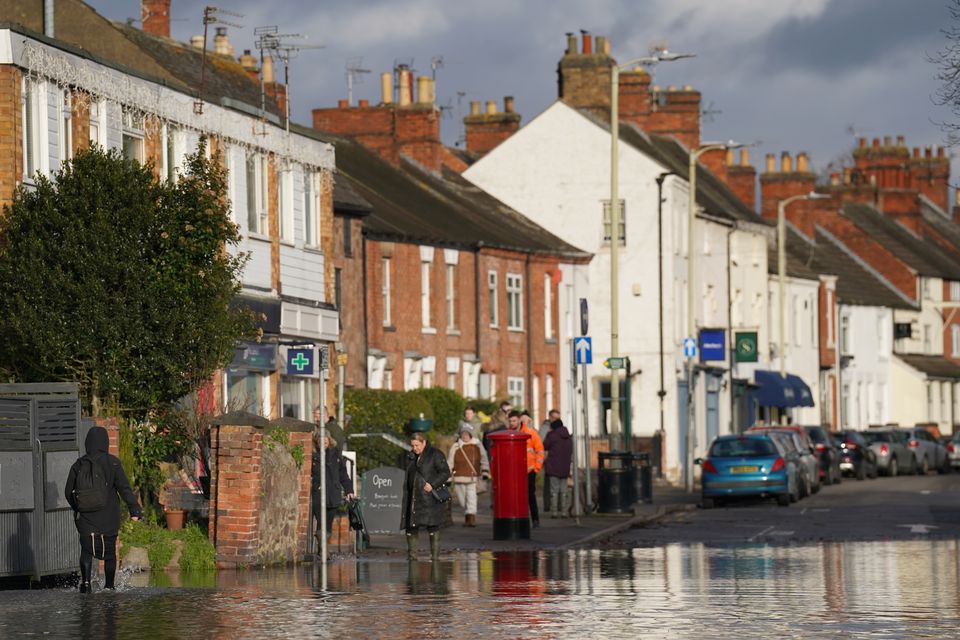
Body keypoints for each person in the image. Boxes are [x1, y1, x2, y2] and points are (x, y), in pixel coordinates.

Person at [64, 426, 143, 593]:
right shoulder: (113, 463)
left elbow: (67, 491)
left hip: (85, 518)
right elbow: (124, 489)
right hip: (108, 516)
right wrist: (134, 510)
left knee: (86, 550)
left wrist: (78, 507)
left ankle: (85, 584)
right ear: (105, 442)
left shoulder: (78, 464)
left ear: (87, 443)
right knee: (109, 553)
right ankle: (109, 586)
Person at [401, 432, 451, 561]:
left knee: (433, 526)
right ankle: (412, 557)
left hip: (429, 497)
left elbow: (445, 472)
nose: (414, 448)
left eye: (417, 445)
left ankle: (435, 557)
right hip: (413, 497)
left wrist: (432, 484)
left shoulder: (435, 454)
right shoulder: (410, 456)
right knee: (411, 526)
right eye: (412, 445)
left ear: (424, 442)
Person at [311, 430, 354, 547]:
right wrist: (315, 485)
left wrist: (349, 490)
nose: (323, 440)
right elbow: (307, 475)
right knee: (321, 522)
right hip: (318, 494)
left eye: (325, 437)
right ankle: (323, 550)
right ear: (316, 441)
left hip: (333, 493)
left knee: (328, 524)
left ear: (329, 440)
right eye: (320, 437)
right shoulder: (312, 455)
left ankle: (324, 549)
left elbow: (343, 474)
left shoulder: (335, 454)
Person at [506, 410, 544, 528]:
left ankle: (535, 520)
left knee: (530, 496)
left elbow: (540, 450)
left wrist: (536, 468)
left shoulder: (530, 433)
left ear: (519, 420)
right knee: (516, 496)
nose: (512, 423)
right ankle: (519, 520)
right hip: (515, 471)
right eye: (510, 421)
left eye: (514, 421)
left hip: (529, 470)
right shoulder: (507, 433)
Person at [447, 424, 489, 527]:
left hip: (473, 477)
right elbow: (450, 462)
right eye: (463, 434)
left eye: (467, 434)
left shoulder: (477, 445)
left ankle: (470, 519)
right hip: (459, 477)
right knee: (462, 500)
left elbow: (484, 458)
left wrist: (485, 471)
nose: (465, 436)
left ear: (471, 434)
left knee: (471, 498)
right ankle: (468, 515)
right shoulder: (455, 446)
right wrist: (448, 477)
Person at [543, 418, 573, 518]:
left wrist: (548, 434)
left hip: (553, 466)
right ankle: (564, 512)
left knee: (554, 490)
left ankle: (554, 512)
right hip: (565, 466)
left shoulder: (552, 436)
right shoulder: (568, 437)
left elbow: (545, 445)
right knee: (564, 489)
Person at [538, 409, 561, 512]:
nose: (556, 420)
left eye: (558, 418)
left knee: (558, 483)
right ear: (550, 417)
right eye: (555, 418)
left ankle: (558, 505)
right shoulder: (545, 428)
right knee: (548, 484)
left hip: (557, 458)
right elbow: (541, 443)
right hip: (548, 459)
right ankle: (548, 505)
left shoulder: (559, 428)